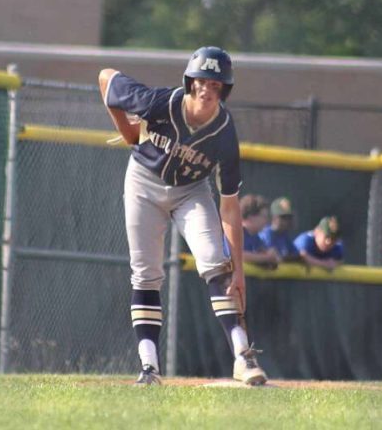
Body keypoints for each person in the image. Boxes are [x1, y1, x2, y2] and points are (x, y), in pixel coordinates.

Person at [98, 46, 268, 387]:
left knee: (215, 264)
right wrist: (128, 131)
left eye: (216, 85)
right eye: (202, 82)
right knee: (145, 273)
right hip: (144, 182)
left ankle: (241, 356)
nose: (207, 90)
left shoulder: (223, 132)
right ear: (190, 82)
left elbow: (230, 205)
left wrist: (240, 272)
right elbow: (106, 79)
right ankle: (149, 369)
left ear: (225, 90)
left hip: (192, 190)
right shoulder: (158, 103)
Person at [224, 194, 280, 268]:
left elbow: (266, 253)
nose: (266, 221)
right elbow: (238, 256)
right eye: (264, 216)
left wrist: (271, 255)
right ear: (251, 217)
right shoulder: (235, 231)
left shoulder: (255, 236)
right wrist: (267, 257)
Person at [256, 197, 299, 264]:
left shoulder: (284, 235)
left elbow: (296, 255)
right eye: (283, 217)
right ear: (274, 217)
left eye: (289, 217)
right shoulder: (267, 234)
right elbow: (273, 257)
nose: (286, 221)